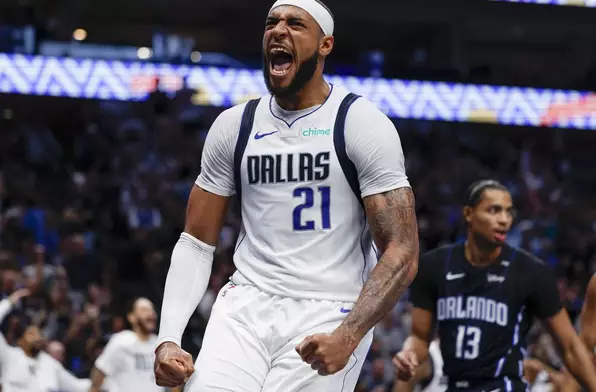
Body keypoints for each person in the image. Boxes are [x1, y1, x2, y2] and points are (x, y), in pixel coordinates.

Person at [153, 0, 419, 391]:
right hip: (245, 304)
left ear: (325, 44)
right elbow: (195, 241)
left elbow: (402, 250)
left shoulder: (360, 123)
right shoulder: (235, 125)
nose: (279, 31)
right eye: (271, 23)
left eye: (295, 24)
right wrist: (168, 337)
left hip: (330, 309)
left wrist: (350, 334)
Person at [392, 179, 596, 391]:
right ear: (469, 214)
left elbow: (571, 347)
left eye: (508, 213)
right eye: (494, 210)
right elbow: (418, 338)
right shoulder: (434, 266)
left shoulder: (532, 272)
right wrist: (409, 355)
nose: (504, 220)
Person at [0, 288, 89, 392]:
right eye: (31, 334)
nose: (37, 338)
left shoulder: (51, 365)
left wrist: (103, 378)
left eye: (38, 334)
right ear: (20, 341)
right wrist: (8, 303)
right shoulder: (9, 356)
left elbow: (78, 386)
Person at [88, 298, 165, 392]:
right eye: (144, 310)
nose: (151, 313)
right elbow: (100, 371)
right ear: (131, 317)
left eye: (152, 310)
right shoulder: (121, 340)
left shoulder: (160, 343)